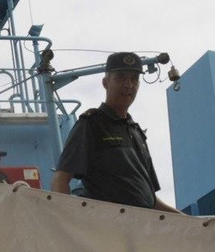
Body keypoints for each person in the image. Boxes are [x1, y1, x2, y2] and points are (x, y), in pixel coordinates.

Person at [52, 52, 181, 212]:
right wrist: (71, 225)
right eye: (120, 78)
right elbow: (60, 180)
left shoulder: (136, 132)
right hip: (110, 228)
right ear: (105, 83)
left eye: (134, 79)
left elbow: (150, 200)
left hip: (144, 228)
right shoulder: (91, 124)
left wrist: (188, 220)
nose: (128, 85)